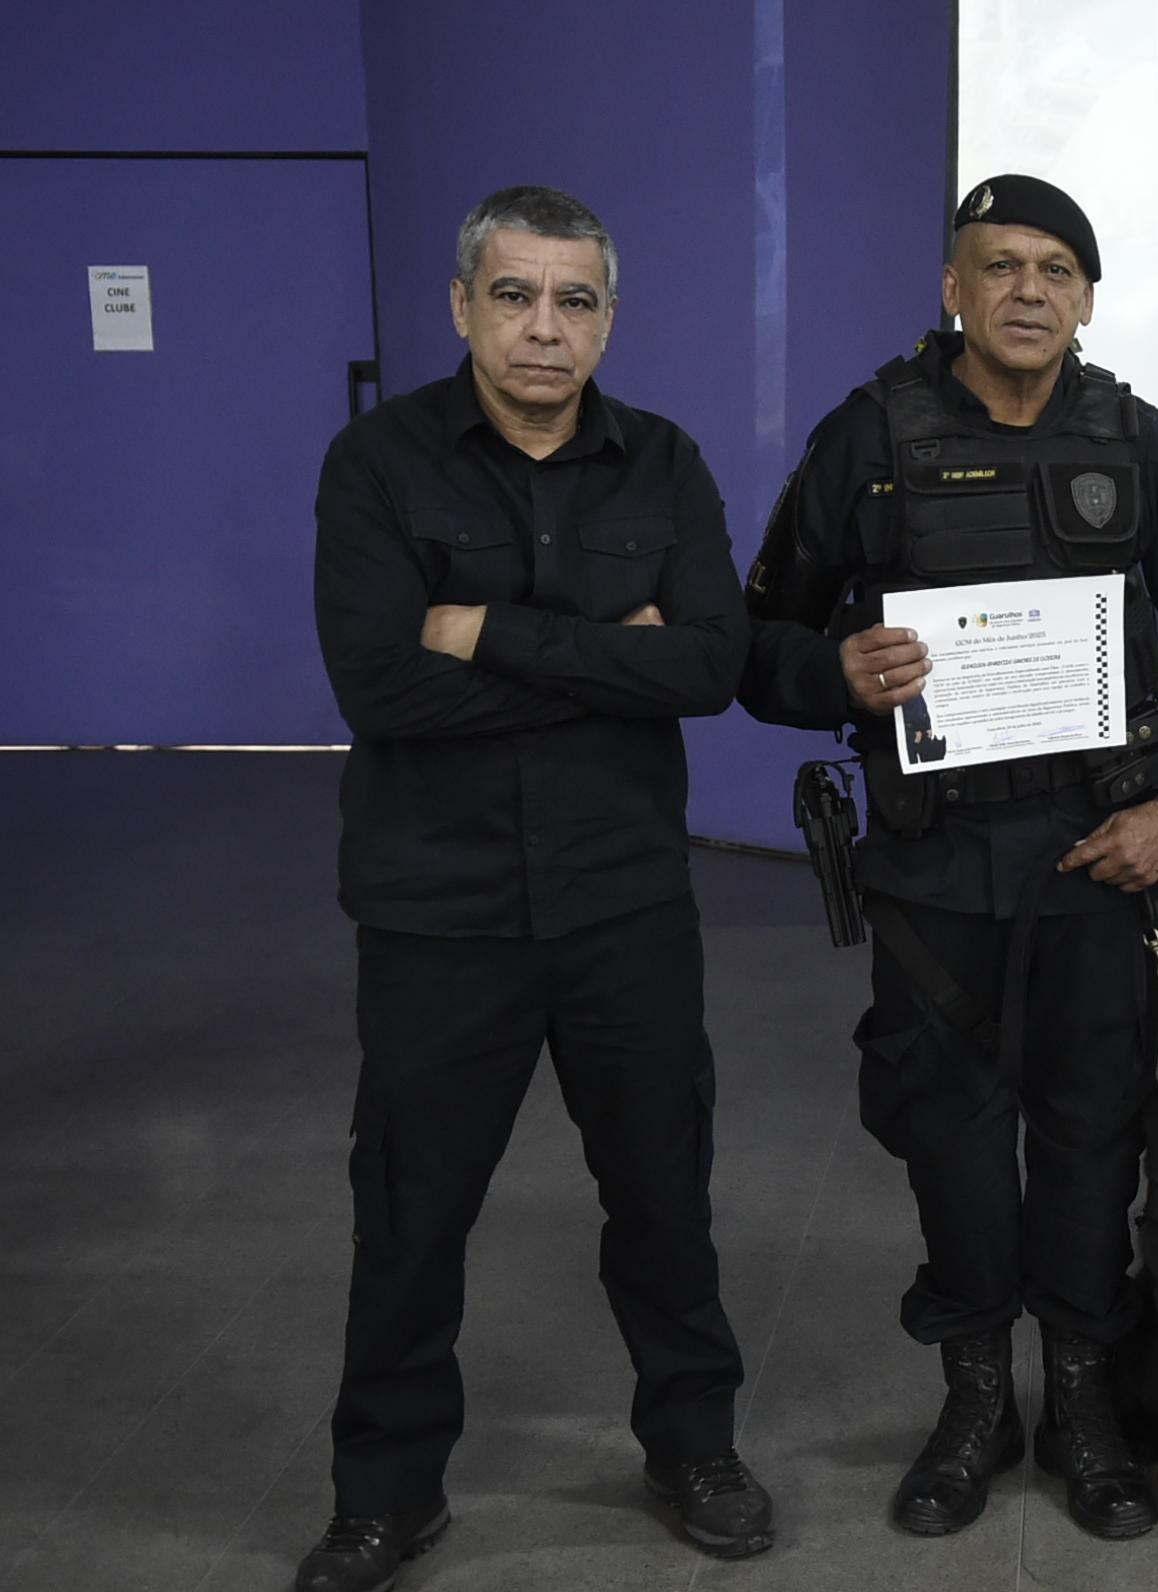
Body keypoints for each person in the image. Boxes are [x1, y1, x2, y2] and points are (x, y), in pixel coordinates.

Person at [740, 174, 1158, 1541]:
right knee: (956, 1152)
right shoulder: (868, 439)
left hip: (1097, 869)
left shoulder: (1135, 441)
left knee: (1094, 1150)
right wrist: (834, 672)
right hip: (933, 881)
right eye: (999, 266)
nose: (1028, 290)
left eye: (1055, 269)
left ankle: (1081, 1406)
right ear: (953, 289)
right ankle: (978, 1402)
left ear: (1087, 299)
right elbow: (756, 646)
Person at [301, 185, 771, 1591]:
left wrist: (483, 631)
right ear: (463, 308)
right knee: (411, 1214)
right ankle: (386, 1494)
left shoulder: (665, 461)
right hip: (437, 911)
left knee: (664, 1199)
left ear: (608, 321)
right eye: (514, 296)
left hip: (624, 906)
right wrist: (610, 661)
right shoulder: (377, 463)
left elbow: (710, 666)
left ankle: (694, 1447)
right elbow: (379, 686)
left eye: (575, 302)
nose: (544, 329)